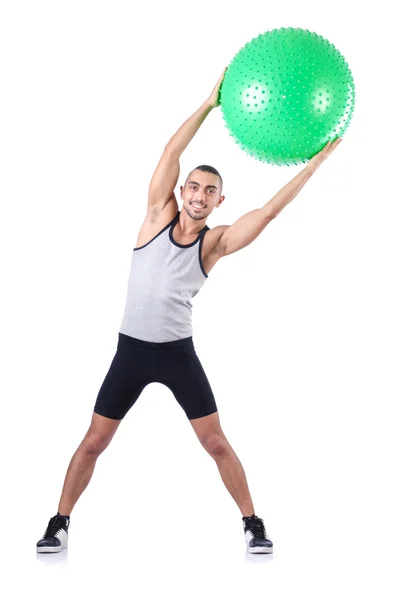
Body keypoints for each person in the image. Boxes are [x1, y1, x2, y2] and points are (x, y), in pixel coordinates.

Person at [36, 68, 342, 555]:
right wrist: (209, 103)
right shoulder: (156, 215)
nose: (199, 196)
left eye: (210, 192)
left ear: (220, 201)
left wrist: (316, 164)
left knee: (216, 442)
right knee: (94, 440)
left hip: (178, 354)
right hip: (131, 352)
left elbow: (266, 214)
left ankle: (253, 523)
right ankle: (58, 522)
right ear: (183, 193)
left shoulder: (215, 243)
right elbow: (169, 154)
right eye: (194, 188)